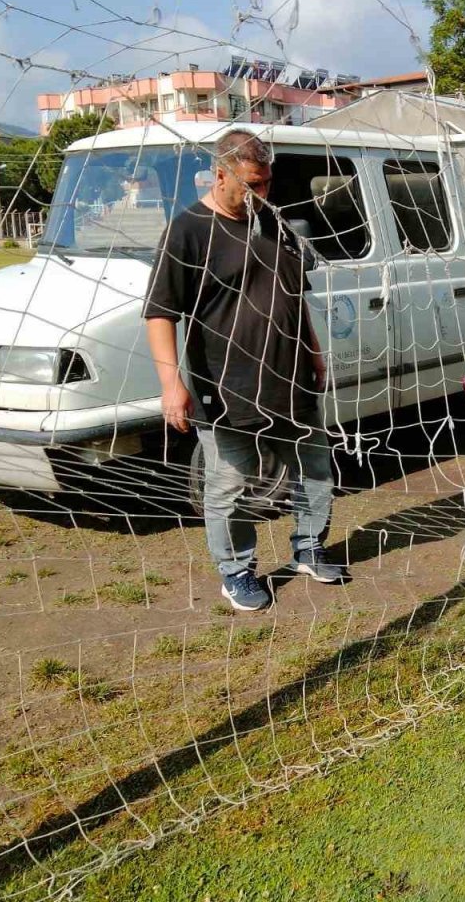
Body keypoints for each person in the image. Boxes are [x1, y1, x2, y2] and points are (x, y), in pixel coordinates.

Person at [144, 129, 344, 612]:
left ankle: (309, 549)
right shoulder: (187, 230)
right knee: (231, 485)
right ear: (220, 175)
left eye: (267, 183)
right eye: (252, 185)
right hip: (227, 389)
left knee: (315, 469)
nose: (262, 194)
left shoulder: (276, 225)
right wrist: (171, 384)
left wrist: (313, 351)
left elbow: (294, 298)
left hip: (292, 378)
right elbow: (159, 313)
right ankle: (236, 571)